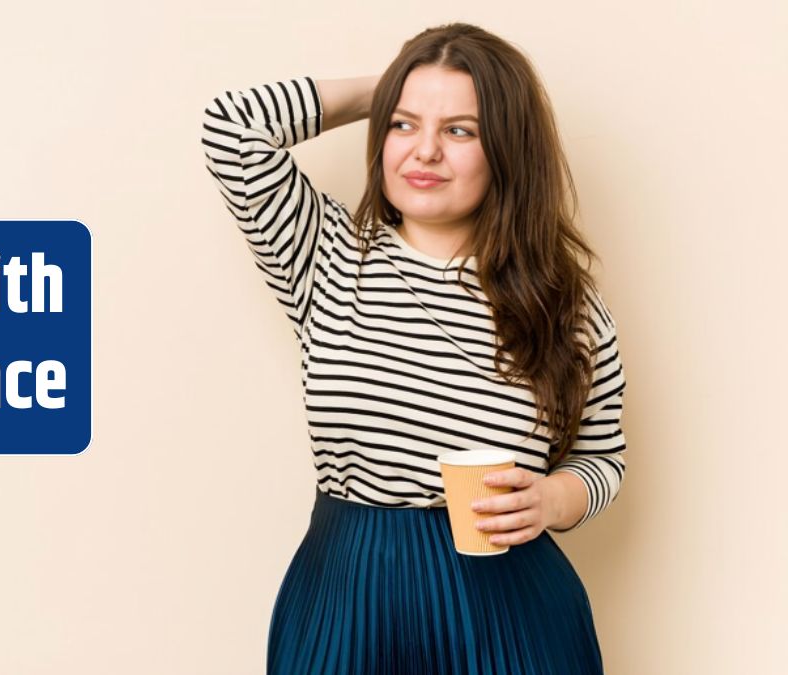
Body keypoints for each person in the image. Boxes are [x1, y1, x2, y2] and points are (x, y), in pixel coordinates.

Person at [200, 22, 627, 675]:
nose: (424, 150)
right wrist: (398, 88)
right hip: (346, 594)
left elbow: (602, 458)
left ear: (508, 148)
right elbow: (231, 128)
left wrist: (552, 500)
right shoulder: (327, 255)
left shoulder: (567, 309)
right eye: (404, 125)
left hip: (510, 613)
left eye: (460, 130)